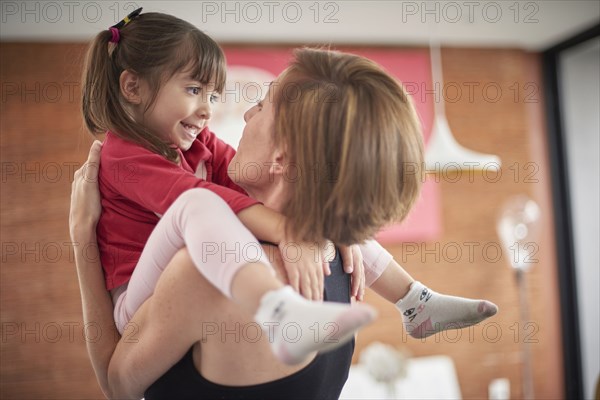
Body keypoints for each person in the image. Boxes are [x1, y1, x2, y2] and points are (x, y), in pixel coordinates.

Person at [71, 44, 498, 399]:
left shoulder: (206, 273)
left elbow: (118, 384)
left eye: (260, 105)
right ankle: (417, 301)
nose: (244, 116)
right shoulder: (335, 254)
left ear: (282, 157)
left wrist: (82, 238)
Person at [81, 7, 377, 372]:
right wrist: (291, 232)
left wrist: (324, 225)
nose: (207, 110)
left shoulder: (197, 141)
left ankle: (412, 298)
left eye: (213, 96)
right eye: (193, 90)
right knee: (197, 202)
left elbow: (240, 183)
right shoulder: (122, 155)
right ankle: (279, 313)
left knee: (214, 204)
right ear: (133, 87)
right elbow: (209, 198)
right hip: (136, 305)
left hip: (168, 280)